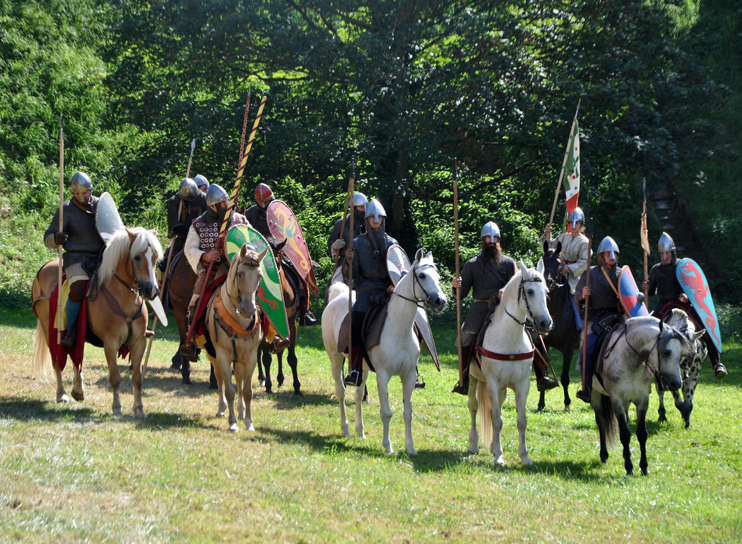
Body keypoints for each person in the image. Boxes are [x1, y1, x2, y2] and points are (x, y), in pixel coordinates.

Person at [451, 222, 557, 395]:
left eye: (494, 238)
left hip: (505, 307)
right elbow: (460, 295)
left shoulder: (508, 263)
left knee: (534, 334)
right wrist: (456, 286)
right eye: (488, 238)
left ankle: (542, 376)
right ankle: (464, 379)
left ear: (499, 240)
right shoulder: (471, 265)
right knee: (466, 337)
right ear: (482, 240)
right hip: (481, 307)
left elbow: (517, 286)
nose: (491, 241)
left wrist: (504, 291)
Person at [179, 184, 249, 360]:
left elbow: (252, 240)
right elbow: (189, 249)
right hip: (212, 271)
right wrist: (205, 255)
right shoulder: (199, 225)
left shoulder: (240, 220)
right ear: (213, 206)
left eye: (228, 201)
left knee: (260, 293)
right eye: (224, 203)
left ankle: (272, 335)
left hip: (239, 270)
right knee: (196, 302)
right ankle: (194, 340)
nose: (228, 206)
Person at [642, 232, 726, 379]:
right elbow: (652, 292)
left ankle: (717, 364)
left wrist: (687, 297)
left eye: (667, 253)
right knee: (649, 331)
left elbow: (695, 288)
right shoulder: (656, 269)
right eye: (662, 254)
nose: (664, 256)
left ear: (673, 253)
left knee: (704, 328)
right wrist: (646, 287)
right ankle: (645, 365)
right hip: (663, 305)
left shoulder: (683, 267)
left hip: (682, 304)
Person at [43, 172, 105, 348]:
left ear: (90, 190)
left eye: (84, 192)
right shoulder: (66, 209)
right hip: (76, 258)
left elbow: (115, 227)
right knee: (77, 289)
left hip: (102, 256)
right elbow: (47, 237)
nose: (80, 196)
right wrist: (56, 238)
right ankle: (71, 332)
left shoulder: (101, 205)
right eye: (76, 193)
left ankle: (136, 324)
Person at [246, 182, 318, 327]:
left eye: (266, 201)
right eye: (260, 202)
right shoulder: (250, 214)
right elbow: (248, 234)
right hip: (258, 253)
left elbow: (291, 235)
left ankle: (304, 312)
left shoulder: (279, 211)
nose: (263, 204)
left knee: (300, 274)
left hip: (280, 251)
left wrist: (302, 258)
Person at [342, 199, 397, 386]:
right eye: (372, 217)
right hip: (366, 291)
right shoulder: (357, 244)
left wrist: (394, 284)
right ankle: (356, 369)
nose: (375, 220)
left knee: (410, 315)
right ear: (366, 220)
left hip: (388, 290)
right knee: (356, 321)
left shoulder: (392, 243)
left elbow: (400, 269)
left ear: (383, 219)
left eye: (379, 217)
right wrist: (349, 261)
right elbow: (351, 275)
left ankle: (413, 366)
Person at [574, 236, 623, 403]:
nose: (611, 256)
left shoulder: (621, 273)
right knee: (587, 350)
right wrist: (582, 295)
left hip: (617, 317)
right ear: (601, 256)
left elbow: (629, 294)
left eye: (614, 253)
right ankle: (586, 387)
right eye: (607, 253)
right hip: (596, 320)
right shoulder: (590, 273)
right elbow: (577, 294)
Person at [543, 207, 590, 329]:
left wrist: (569, 268)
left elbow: (585, 261)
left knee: (572, 292)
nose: (574, 225)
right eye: (571, 223)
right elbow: (549, 247)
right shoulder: (563, 237)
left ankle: (578, 321)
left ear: (581, 224)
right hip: (558, 271)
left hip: (575, 275)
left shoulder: (584, 242)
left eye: (577, 223)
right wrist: (548, 234)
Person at [159, 178, 207, 273]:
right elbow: (175, 225)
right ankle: (161, 286)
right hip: (182, 238)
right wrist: (191, 232)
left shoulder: (204, 199)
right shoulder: (175, 201)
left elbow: (209, 219)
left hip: (202, 237)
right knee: (164, 265)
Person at [327, 192, 367, 282]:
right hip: (344, 264)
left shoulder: (369, 224)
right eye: (361, 207)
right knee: (334, 284)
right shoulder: (342, 223)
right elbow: (330, 242)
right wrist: (334, 246)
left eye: (364, 206)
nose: (364, 210)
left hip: (366, 265)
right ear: (353, 208)